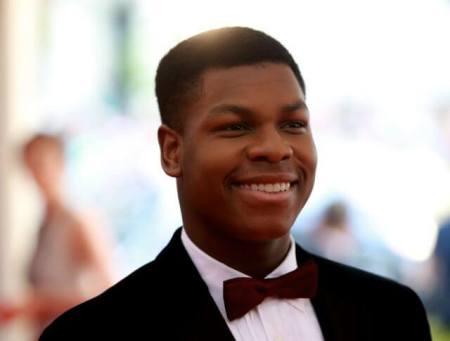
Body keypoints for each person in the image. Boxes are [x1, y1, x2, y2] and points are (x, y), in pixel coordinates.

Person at [39, 27, 431, 340]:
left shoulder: (391, 312)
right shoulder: (92, 334)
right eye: (235, 127)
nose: (275, 149)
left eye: (293, 124)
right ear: (172, 151)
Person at [17, 134, 115, 337]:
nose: (36, 173)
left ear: (60, 164)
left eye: (41, 163)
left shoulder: (80, 221)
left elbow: (108, 289)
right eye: (30, 165)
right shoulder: (44, 223)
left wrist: (40, 305)